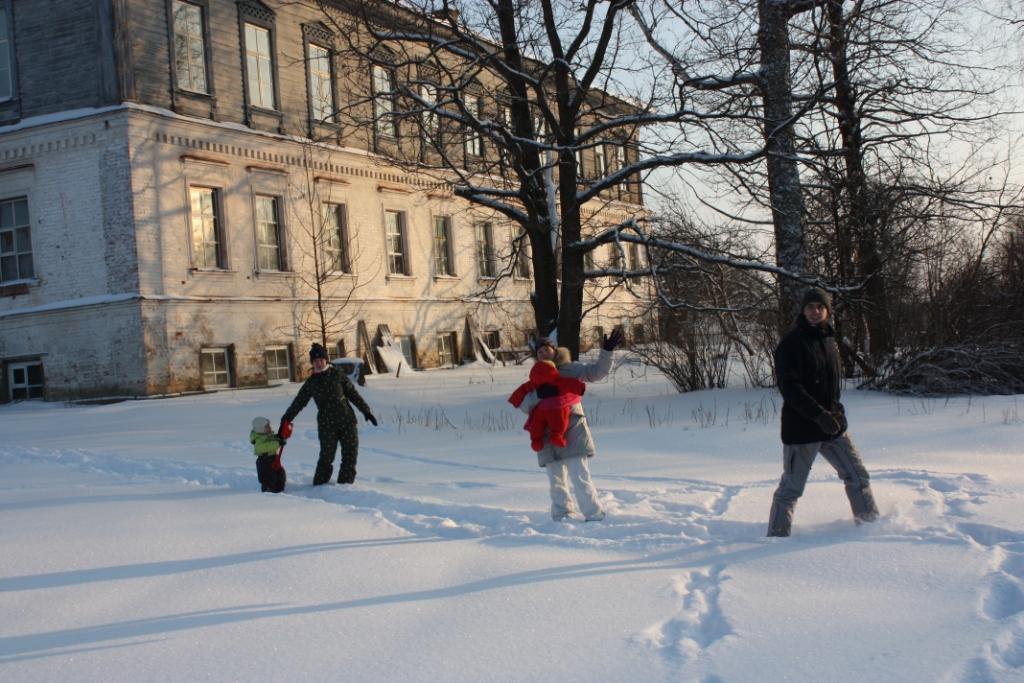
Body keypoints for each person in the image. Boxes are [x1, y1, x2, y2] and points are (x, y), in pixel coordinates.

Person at [767, 287, 879, 537]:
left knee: (858, 476)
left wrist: (836, 413)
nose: (815, 311)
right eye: (810, 307)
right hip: (803, 429)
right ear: (803, 311)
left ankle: (871, 529)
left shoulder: (828, 339)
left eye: (820, 307)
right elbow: (790, 387)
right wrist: (818, 415)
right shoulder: (792, 343)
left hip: (833, 426)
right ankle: (776, 537)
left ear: (827, 310)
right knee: (791, 489)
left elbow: (831, 385)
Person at [515, 330, 623, 521]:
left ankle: (594, 514)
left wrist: (607, 351)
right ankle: (562, 516)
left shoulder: (571, 369)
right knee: (556, 482)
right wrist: (539, 395)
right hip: (547, 436)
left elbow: (597, 372)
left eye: (546, 349)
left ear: (554, 350)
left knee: (579, 476)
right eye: (539, 352)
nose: (543, 354)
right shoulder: (537, 378)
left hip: (572, 429)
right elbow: (524, 406)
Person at [280, 343, 378, 485]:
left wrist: (366, 411)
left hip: (347, 422)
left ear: (326, 360)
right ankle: (319, 486)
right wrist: (286, 419)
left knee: (350, 455)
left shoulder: (338, 376)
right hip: (327, 425)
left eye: (321, 360)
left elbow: (353, 394)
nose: (319, 363)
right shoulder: (311, 383)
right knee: (326, 457)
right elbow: (299, 402)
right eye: (315, 361)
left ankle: (345, 485)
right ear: (312, 363)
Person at [508, 359, 587, 451]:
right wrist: (580, 388)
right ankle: (556, 436)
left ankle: (536, 441)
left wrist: (515, 400)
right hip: (556, 407)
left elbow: (522, 390)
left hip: (540, 409)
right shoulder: (557, 380)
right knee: (559, 421)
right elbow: (569, 383)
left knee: (536, 425)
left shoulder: (534, 382)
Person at [249, 416, 286, 493]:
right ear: (260, 429)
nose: (270, 428)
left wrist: (280, 437)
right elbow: (265, 447)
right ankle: (268, 492)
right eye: (267, 427)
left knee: (280, 474)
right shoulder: (259, 440)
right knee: (268, 478)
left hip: (274, 460)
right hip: (264, 462)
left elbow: (274, 440)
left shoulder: (269, 436)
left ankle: (279, 490)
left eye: (269, 426)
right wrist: (278, 443)